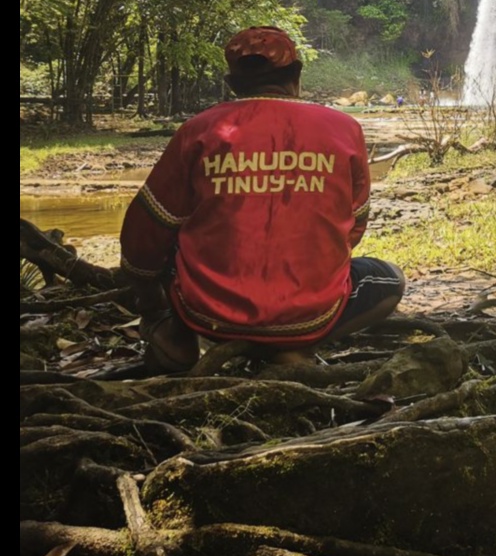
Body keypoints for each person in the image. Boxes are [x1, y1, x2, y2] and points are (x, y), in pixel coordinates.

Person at [120, 26, 405, 371]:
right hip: (308, 314)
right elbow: (354, 225)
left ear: (233, 84)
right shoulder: (344, 129)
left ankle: (176, 333)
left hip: (207, 313)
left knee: (166, 242)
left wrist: (151, 302)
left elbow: (143, 233)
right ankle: (292, 348)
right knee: (391, 279)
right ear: (296, 75)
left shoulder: (199, 130)